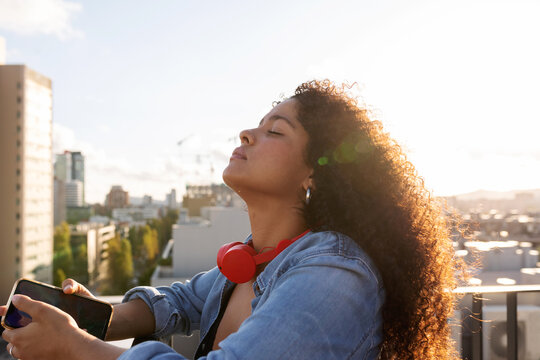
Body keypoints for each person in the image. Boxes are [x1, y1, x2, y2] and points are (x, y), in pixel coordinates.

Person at [1, 80, 460, 359]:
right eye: (255, 125)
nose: (247, 133)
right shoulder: (251, 259)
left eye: (275, 131)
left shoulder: (335, 275)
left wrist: (77, 349)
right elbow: (180, 300)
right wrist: (92, 319)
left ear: (314, 174)